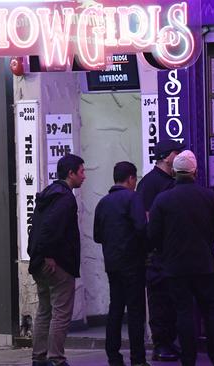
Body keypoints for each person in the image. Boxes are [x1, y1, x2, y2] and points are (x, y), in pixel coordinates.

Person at [148, 150, 214, 366]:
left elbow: (153, 234)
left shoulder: (162, 199)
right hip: (203, 263)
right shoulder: (208, 196)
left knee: (184, 312)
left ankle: (188, 359)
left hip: (175, 266)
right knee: (211, 311)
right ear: (195, 171)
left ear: (174, 172)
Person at [28, 154, 86, 366]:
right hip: (57, 263)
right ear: (70, 173)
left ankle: (39, 357)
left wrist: (39, 255)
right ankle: (56, 359)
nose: (84, 176)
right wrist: (50, 255)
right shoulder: (65, 198)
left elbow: (37, 228)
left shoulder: (48, 194)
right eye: (81, 171)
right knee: (61, 313)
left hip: (39, 262)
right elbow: (51, 228)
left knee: (44, 311)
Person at [93, 162, 149, 366]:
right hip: (133, 263)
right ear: (131, 178)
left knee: (115, 309)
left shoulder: (103, 203)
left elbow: (97, 236)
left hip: (112, 264)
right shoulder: (133, 198)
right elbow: (142, 229)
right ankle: (138, 359)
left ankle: (113, 357)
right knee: (135, 312)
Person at [136, 139, 184, 361]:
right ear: (166, 157)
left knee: (172, 298)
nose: (180, 156)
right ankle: (161, 344)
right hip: (158, 252)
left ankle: (169, 342)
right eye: (177, 152)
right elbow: (146, 217)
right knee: (159, 300)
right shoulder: (150, 183)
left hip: (171, 251)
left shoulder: (168, 181)